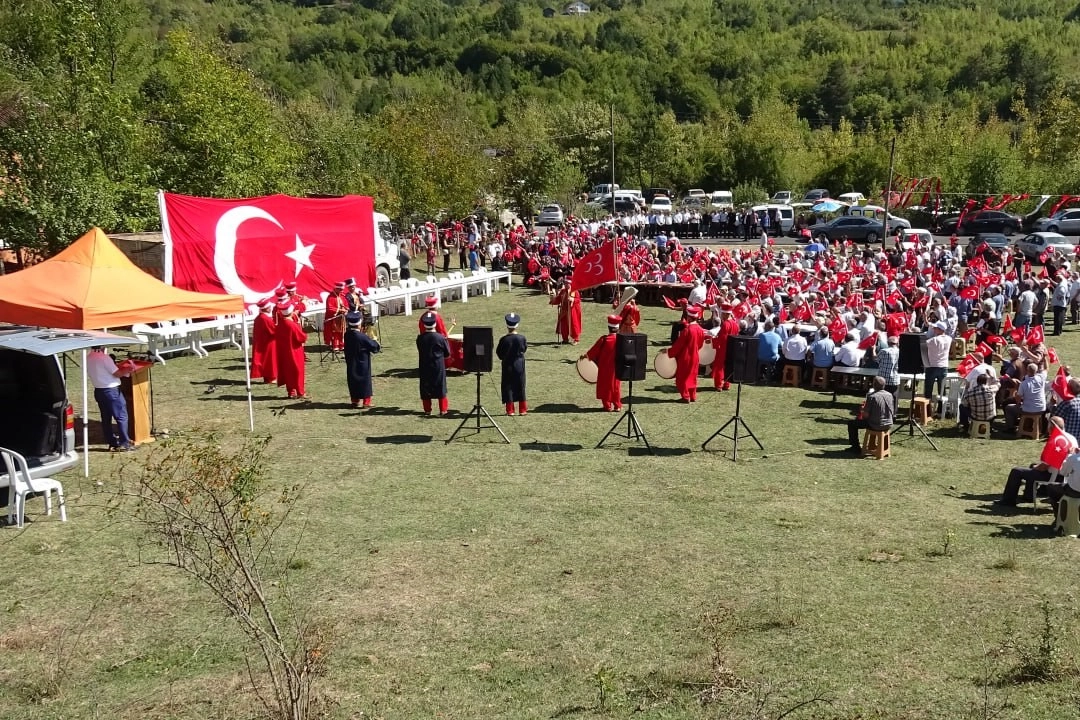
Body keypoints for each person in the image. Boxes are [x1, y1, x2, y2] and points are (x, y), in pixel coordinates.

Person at [996, 416, 1076, 506]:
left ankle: (1008, 500)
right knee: (1032, 465)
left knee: (1016, 471)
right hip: (1066, 475)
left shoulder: (1056, 441)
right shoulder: (1071, 438)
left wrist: (1036, 467)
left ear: (1051, 427)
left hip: (1053, 476)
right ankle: (1028, 496)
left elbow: (1043, 467)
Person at [87, 347, 137, 452]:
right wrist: (129, 368)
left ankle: (112, 442)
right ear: (102, 347)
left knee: (106, 419)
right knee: (121, 416)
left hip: (99, 391)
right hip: (111, 390)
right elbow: (117, 373)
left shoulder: (88, 357)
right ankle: (124, 442)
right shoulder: (105, 358)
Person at [846, 376, 896, 453]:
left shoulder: (872, 396)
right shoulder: (890, 395)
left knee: (851, 424)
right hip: (889, 424)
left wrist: (862, 411)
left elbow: (866, 415)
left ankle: (855, 447)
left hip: (875, 424)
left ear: (874, 385)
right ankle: (880, 447)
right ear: (884, 385)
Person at [583, 314, 623, 411]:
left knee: (605, 386)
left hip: (604, 368)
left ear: (608, 327)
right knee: (616, 386)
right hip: (617, 368)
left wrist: (585, 356)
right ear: (618, 328)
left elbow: (593, 351)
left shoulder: (604, 339)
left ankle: (607, 406)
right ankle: (617, 406)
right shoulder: (621, 340)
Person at [669, 304, 706, 402]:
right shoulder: (700, 330)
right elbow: (700, 344)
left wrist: (669, 352)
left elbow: (678, 345)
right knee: (692, 376)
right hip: (695, 356)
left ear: (689, 317)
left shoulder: (687, 330)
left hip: (686, 357)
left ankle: (685, 397)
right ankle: (693, 396)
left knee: (681, 377)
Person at [417, 311, 451, 415]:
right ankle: (443, 409)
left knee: (425, 387)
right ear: (435, 324)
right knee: (440, 386)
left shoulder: (420, 338)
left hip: (424, 365)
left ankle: (427, 410)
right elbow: (447, 353)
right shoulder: (440, 338)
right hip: (438, 365)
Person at [343, 311, 380, 407]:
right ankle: (366, 402)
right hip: (362, 362)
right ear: (359, 323)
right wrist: (374, 340)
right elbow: (373, 346)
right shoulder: (362, 336)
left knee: (352, 380)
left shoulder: (347, 334)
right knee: (365, 381)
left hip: (351, 361)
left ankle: (354, 400)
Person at [496, 312, 528, 416]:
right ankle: (523, 409)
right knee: (521, 385)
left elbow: (499, 353)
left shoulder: (504, 339)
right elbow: (524, 349)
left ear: (507, 325)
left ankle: (510, 410)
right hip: (519, 363)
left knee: (508, 386)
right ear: (517, 325)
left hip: (507, 365)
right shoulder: (522, 338)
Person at [275, 300, 308, 399]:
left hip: (284, 351)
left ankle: (291, 392)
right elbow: (301, 337)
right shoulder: (292, 325)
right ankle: (300, 392)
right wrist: (305, 335)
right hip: (295, 351)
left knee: (288, 371)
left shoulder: (280, 324)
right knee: (298, 371)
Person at [1003, 362, 1047, 432]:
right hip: (1041, 408)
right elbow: (1045, 370)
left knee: (1009, 408)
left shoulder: (1024, 384)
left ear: (1027, 370)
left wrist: (1019, 403)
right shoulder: (1041, 378)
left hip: (1028, 409)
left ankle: (1010, 427)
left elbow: (1018, 397)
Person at [711, 303, 740, 391]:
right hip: (732, 348)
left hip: (723, 348)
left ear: (724, 314)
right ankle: (727, 384)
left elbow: (722, 339)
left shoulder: (725, 324)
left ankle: (719, 384)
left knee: (719, 366)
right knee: (728, 366)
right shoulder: (735, 324)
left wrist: (713, 341)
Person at [923, 320, 951, 408]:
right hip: (943, 366)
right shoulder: (949, 339)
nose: (934, 329)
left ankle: (927, 408)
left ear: (939, 329)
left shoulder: (933, 340)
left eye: (935, 328)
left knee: (928, 388)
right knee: (942, 389)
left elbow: (923, 345)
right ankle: (941, 408)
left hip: (932, 366)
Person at [251, 299, 277, 385]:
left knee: (266, 360)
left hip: (263, 342)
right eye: (269, 307)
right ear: (266, 308)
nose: (270, 308)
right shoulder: (265, 318)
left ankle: (267, 377)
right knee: (270, 360)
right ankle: (271, 377)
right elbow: (273, 330)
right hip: (268, 342)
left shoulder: (259, 318)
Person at [550, 277, 582, 345]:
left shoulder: (575, 291)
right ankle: (565, 339)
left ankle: (576, 339)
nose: (567, 285)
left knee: (574, 325)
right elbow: (558, 299)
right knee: (564, 325)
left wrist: (572, 299)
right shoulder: (563, 291)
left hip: (572, 312)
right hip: (564, 311)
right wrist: (553, 299)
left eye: (568, 283)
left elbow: (578, 300)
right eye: (566, 283)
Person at [323, 281, 347, 352]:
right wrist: (340, 310)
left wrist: (346, 309)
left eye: (342, 290)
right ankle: (335, 345)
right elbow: (330, 308)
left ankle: (341, 344)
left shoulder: (342, 296)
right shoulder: (330, 297)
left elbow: (345, 304)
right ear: (336, 289)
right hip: (333, 318)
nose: (341, 291)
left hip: (341, 318)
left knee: (342, 331)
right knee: (335, 332)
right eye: (340, 290)